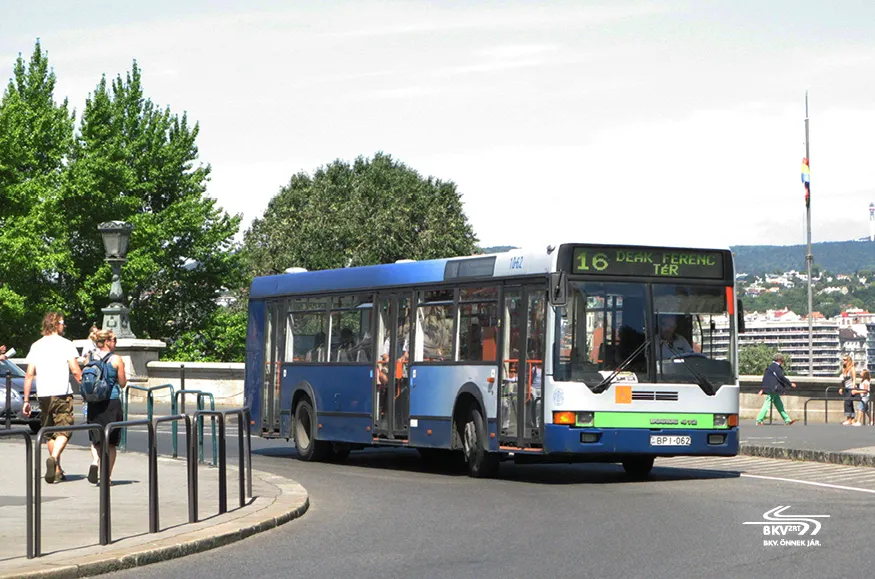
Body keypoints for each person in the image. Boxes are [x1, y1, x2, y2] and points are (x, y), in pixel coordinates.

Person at [22, 312, 82, 483]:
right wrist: (86, 389)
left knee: (49, 433)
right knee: (65, 430)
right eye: (63, 323)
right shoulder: (66, 344)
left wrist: (26, 401)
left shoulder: (36, 345)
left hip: (43, 395)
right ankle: (54, 458)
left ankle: (56, 471)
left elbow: (29, 374)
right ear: (56, 324)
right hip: (61, 393)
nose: (64, 326)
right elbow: (75, 370)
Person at [85, 330, 127, 484]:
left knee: (96, 440)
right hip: (111, 402)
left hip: (94, 403)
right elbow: (122, 383)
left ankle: (95, 462)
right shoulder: (116, 359)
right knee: (111, 443)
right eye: (114, 340)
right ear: (107, 342)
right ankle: (106, 477)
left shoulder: (90, 357)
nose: (115, 342)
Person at [755, 353, 797, 426]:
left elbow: (766, 379)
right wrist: (790, 384)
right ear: (779, 360)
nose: (782, 362)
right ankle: (759, 420)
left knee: (779, 405)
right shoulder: (776, 367)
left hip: (772, 388)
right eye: (782, 360)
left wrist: (763, 389)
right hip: (774, 389)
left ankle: (787, 420)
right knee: (767, 404)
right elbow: (781, 377)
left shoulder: (770, 367)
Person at [838, 354, 857, 425]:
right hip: (846, 388)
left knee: (847, 403)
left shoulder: (852, 368)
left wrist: (853, 388)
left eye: (845, 360)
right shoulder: (844, 368)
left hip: (850, 388)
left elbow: (854, 379)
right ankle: (852, 419)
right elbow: (843, 380)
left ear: (849, 360)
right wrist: (841, 388)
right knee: (849, 403)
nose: (844, 361)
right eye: (843, 359)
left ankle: (849, 419)